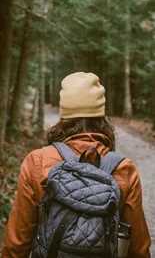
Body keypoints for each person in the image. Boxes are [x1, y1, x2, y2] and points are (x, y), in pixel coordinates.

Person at [2, 72, 151, 258]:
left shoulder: (36, 162)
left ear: (63, 115)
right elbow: (138, 248)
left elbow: (17, 244)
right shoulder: (125, 169)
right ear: (102, 117)